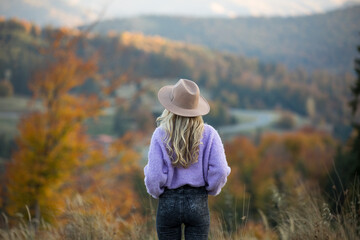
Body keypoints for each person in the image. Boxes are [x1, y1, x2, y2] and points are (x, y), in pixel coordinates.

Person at [144, 78, 231, 240]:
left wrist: (158, 194)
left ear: (170, 108)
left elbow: (154, 176)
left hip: (168, 202)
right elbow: (219, 171)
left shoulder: (160, 134)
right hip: (198, 202)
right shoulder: (210, 133)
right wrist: (211, 189)